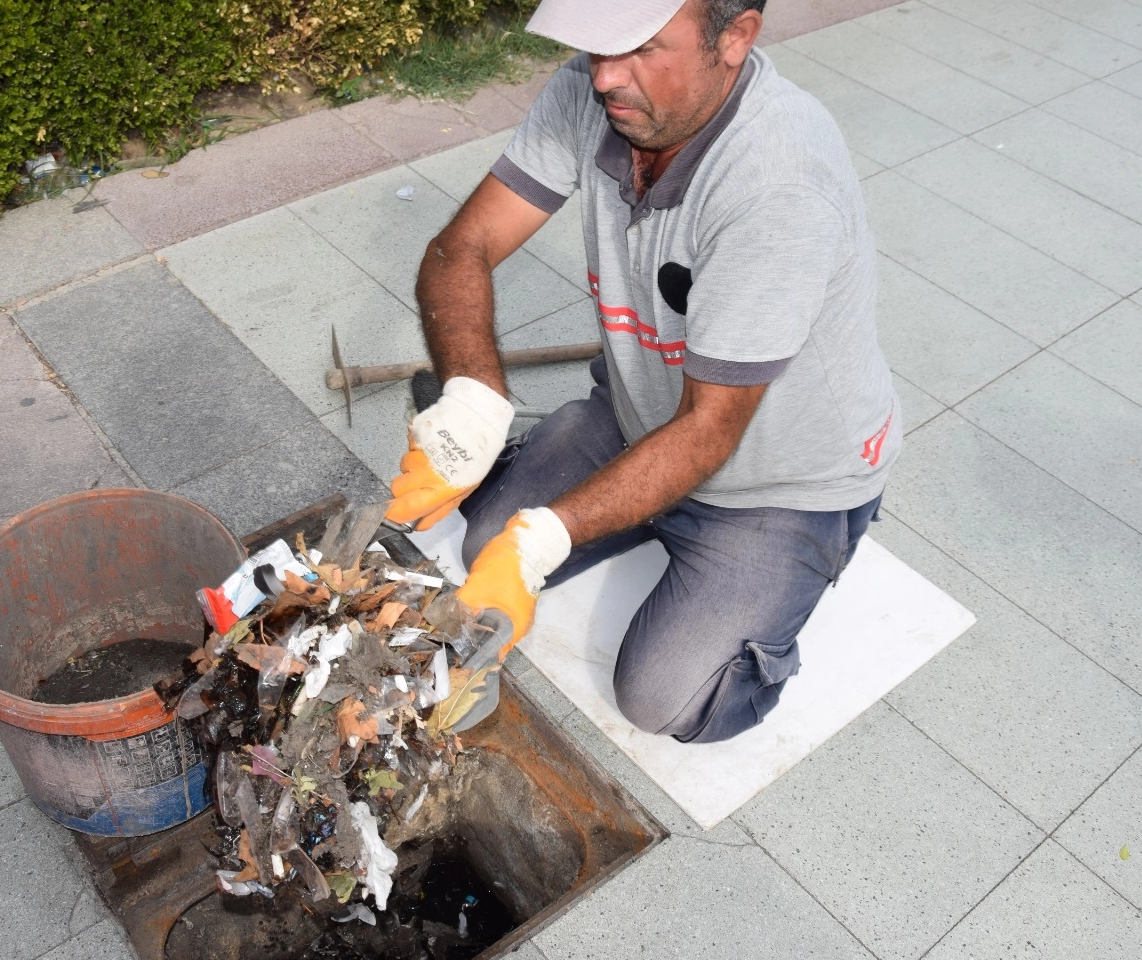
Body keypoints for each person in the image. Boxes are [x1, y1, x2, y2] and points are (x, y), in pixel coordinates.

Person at [384, 0, 900, 744]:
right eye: (594, 51)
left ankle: (805, 563)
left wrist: (547, 539)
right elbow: (459, 248)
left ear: (736, 38)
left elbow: (709, 430)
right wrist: (472, 396)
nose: (603, 78)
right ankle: (611, 494)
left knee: (665, 701)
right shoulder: (595, 90)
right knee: (483, 541)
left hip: (778, 481)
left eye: (641, 50)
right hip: (642, 419)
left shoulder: (776, 186)